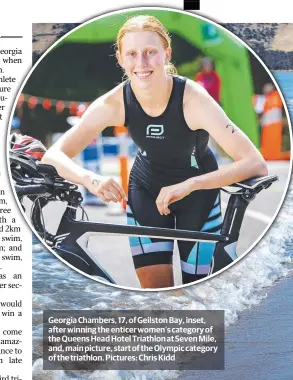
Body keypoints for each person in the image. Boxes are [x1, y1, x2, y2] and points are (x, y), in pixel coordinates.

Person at [42, 15, 268, 289]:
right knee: (159, 299)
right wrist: (92, 179)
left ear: (166, 54)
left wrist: (192, 184)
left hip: (197, 197)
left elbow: (255, 163)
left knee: (198, 298)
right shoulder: (115, 102)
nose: (142, 63)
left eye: (150, 52)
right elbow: (53, 156)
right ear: (121, 58)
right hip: (146, 192)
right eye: (133, 54)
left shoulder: (192, 99)